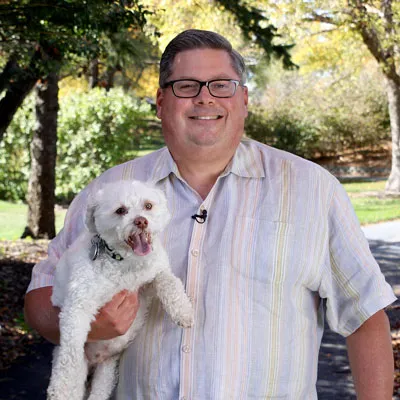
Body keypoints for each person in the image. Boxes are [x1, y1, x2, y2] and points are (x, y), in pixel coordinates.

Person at [25, 29, 396, 399]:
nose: (205, 98)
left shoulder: (313, 189)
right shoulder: (108, 192)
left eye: (222, 85)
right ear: (160, 101)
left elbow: (365, 316)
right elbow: (40, 295)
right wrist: (84, 324)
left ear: (244, 99)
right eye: (186, 86)